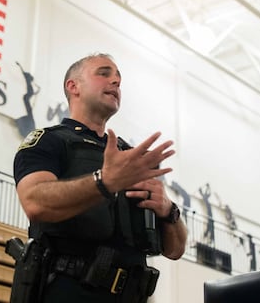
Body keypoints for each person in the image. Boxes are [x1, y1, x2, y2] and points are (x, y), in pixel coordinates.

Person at [12, 53, 187, 302]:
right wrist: (104, 182)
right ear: (73, 87)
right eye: (104, 73)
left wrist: (169, 210)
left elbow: (176, 250)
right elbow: (34, 202)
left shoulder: (130, 157)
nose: (115, 81)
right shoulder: (48, 141)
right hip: (68, 293)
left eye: (118, 79)